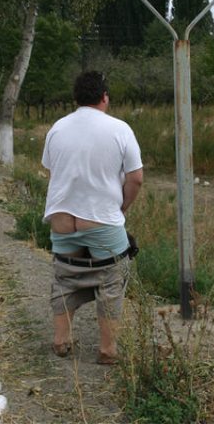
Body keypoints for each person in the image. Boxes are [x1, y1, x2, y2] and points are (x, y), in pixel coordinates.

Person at [41, 71, 143, 364]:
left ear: (76, 98)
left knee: (65, 278)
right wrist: (121, 209)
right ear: (104, 97)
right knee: (111, 280)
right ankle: (107, 350)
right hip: (102, 222)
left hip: (62, 223)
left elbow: (54, 171)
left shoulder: (57, 129)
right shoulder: (120, 129)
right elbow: (136, 178)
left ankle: (61, 341)